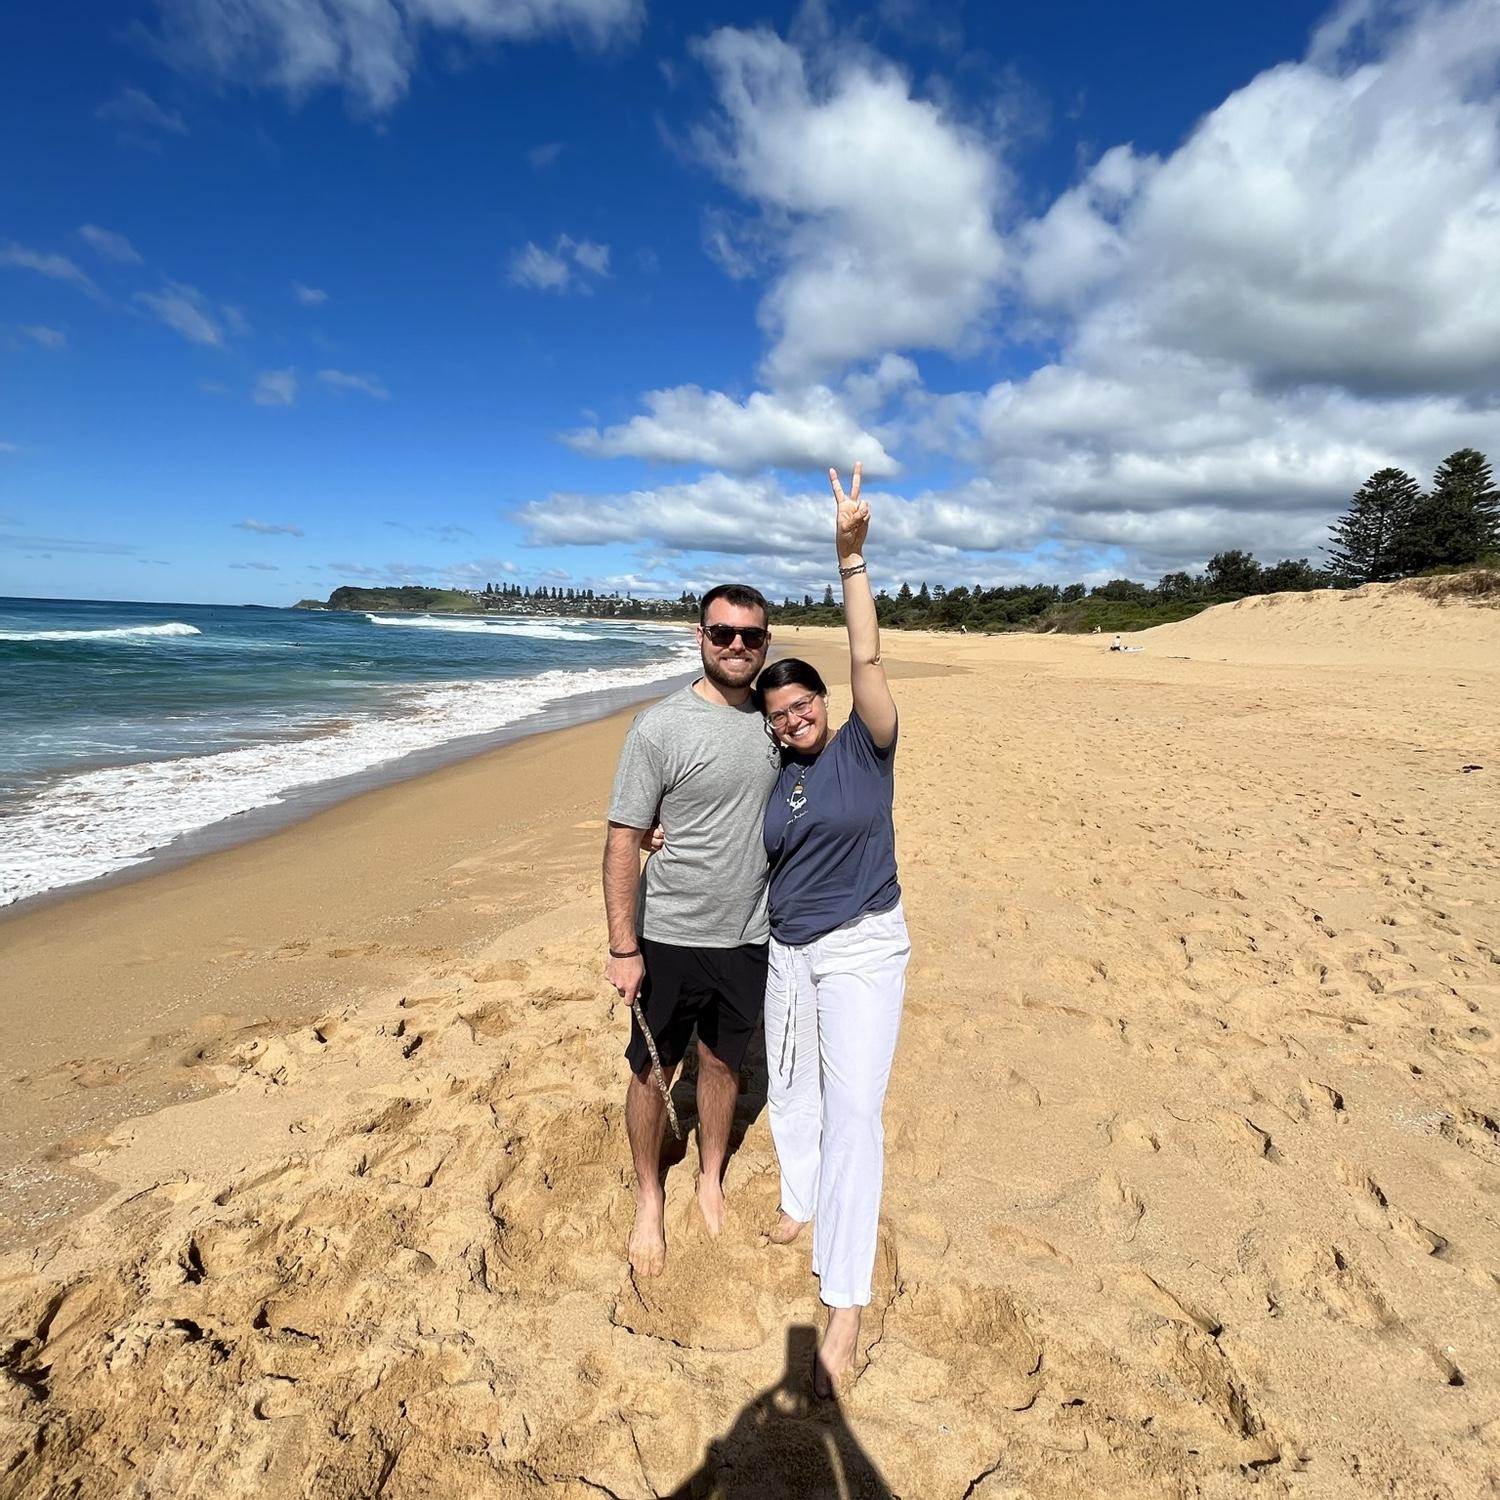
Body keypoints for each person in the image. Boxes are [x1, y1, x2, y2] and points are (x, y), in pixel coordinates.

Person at [757, 462, 910, 1396]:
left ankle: (844, 1304)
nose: (793, 716)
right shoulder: (775, 775)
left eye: (802, 701)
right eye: (778, 714)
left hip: (862, 944)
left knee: (855, 1113)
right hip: (787, 950)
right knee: (792, 1087)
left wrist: (850, 561)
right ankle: (802, 1199)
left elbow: (867, 662)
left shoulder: (867, 742)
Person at [603, 585, 781, 1277]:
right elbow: (622, 841)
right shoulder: (660, 727)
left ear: (767, 642)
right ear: (699, 636)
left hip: (748, 935)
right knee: (651, 1070)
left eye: (751, 636)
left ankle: (710, 1173)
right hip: (670, 935)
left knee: (721, 1065)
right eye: (722, 633)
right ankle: (649, 1195)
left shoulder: (776, 720)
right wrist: (624, 948)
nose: (737, 646)